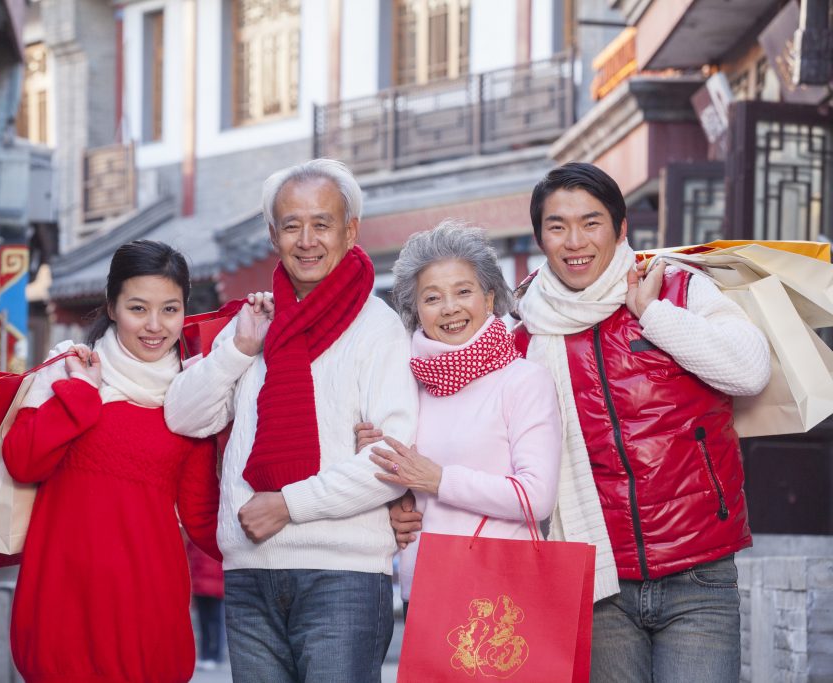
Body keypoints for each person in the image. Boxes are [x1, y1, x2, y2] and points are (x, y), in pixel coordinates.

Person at [394, 162, 771, 682]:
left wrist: (652, 314)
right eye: (557, 226)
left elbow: (749, 370)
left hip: (695, 568)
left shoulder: (676, 289)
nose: (575, 241)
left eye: (591, 222)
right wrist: (405, 501)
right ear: (540, 238)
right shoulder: (519, 330)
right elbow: (466, 432)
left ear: (620, 230)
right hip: (592, 579)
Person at [164, 158, 419, 683]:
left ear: (350, 232)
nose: (307, 240)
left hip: (342, 574)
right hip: (250, 572)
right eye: (291, 225)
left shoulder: (379, 328)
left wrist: (287, 504)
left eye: (322, 224)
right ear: (272, 234)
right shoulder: (256, 320)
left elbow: (391, 456)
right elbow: (185, 416)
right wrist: (238, 347)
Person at [2, 240, 227, 683]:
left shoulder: (190, 397)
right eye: (138, 308)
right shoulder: (66, 371)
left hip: (148, 610)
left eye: (170, 309)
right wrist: (82, 396)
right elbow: (23, 462)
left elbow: (202, 516)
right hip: (62, 604)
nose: (155, 326)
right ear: (111, 307)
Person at [354, 221, 562, 618]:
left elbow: (536, 496)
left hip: (502, 593)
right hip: (427, 588)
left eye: (463, 292)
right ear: (416, 312)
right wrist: (377, 468)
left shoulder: (522, 380)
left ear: (489, 298)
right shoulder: (405, 388)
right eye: (432, 298)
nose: (449, 308)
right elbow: (404, 489)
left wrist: (438, 479)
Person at [186, 537, 226, 670]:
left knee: (206, 623)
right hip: (213, 587)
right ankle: (213, 655)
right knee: (214, 622)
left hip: (203, 587)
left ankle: (208, 655)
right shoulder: (217, 540)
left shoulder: (194, 541)